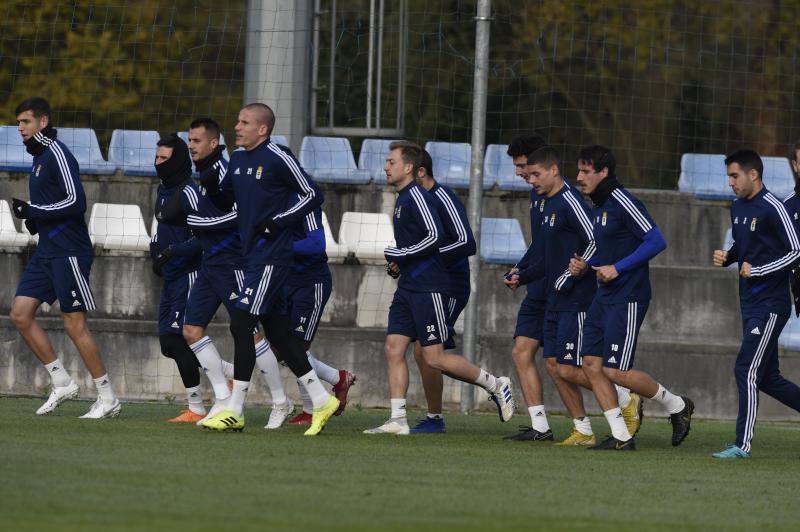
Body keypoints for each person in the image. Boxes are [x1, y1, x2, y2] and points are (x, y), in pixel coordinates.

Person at [195, 103, 338, 435]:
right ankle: (321, 398)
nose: (237, 126)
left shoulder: (277, 157)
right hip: (252, 256)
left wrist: (279, 222)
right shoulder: (240, 160)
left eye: (244, 122)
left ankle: (235, 409)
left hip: (273, 257)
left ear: (263, 129)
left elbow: (313, 194)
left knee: (242, 323)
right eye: (237, 120)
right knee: (278, 333)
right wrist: (207, 173)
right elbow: (224, 199)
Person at [364, 141, 514, 435]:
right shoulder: (405, 198)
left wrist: (406, 257)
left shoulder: (428, 197)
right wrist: (402, 262)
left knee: (431, 354)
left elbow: (452, 241)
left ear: (413, 169)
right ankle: (399, 419)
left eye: (391, 161)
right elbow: (417, 244)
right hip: (411, 284)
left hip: (437, 285)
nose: (385, 167)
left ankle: (495, 385)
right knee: (395, 348)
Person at [570, 145, 693, 450]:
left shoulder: (623, 200)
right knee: (590, 364)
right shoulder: (597, 206)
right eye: (579, 170)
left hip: (629, 295)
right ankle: (621, 436)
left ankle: (677, 405)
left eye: (586, 171)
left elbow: (656, 240)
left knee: (616, 370)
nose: (579, 177)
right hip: (605, 295)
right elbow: (611, 247)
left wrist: (618, 268)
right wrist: (588, 266)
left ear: (604, 172)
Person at [9, 96, 120, 419]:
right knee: (20, 314)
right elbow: (53, 205)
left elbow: (76, 202)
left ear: (43, 122)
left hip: (70, 251)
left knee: (74, 324)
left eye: (25, 122)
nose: (20, 129)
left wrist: (34, 210)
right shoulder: (39, 156)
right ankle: (61, 381)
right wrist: (34, 218)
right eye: (18, 123)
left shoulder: (57, 153)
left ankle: (107, 396)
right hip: (48, 251)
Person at [505, 146, 599, 445]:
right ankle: (544, 427)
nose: (524, 176)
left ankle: (623, 395)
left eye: (531, 171)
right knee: (530, 355)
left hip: (569, 295)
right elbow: (542, 249)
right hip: (543, 290)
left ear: (552, 169)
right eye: (523, 170)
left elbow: (595, 240)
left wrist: (572, 273)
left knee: (565, 367)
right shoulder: (540, 198)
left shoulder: (569, 199)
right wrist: (522, 273)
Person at [711, 149, 800, 459]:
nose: (730, 183)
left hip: (772, 305)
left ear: (753, 175)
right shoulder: (736, 207)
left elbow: (796, 252)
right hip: (749, 304)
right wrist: (729, 257)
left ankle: (742, 445)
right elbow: (745, 245)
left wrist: (758, 270)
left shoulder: (774, 207)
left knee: (745, 369)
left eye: (735, 176)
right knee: (768, 378)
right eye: (728, 177)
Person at [408, 149, 476, 433]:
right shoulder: (411, 200)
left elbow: (467, 243)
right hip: (426, 285)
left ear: (420, 172)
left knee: (428, 351)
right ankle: (433, 418)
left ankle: (495, 385)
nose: (390, 170)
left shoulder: (443, 197)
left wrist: (426, 258)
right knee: (420, 351)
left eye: (396, 164)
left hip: (450, 285)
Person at [150, 134, 205, 422]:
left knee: (177, 340)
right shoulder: (162, 190)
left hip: (189, 274)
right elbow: (160, 229)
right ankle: (230, 373)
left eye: (164, 159)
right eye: (157, 158)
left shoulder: (190, 191)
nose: (158, 163)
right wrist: (155, 252)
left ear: (179, 161)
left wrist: (173, 253)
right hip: (171, 276)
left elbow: (205, 236)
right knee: (168, 344)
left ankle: (196, 408)